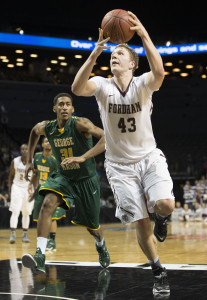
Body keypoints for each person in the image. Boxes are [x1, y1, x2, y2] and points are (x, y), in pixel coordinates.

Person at [71, 11, 175, 295]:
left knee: (165, 205)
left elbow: (161, 72)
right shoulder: (103, 86)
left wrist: (143, 34)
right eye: (112, 54)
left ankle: (163, 220)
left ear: (132, 62)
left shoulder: (142, 83)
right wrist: (95, 53)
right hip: (119, 167)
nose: (113, 57)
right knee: (140, 222)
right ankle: (157, 270)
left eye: (120, 53)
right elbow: (77, 88)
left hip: (149, 158)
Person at [22, 92, 110, 274]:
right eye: (61, 104)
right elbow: (33, 131)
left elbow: (107, 138)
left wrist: (83, 157)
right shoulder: (48, 127)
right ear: (55, 109)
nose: (64, 107)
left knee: (93, 227)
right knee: (47, 205)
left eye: (68, 104)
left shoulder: (80, 124)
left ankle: (100, 244)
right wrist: (30, 160)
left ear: (72, 109)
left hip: (86, 180)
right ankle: (40, 254)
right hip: (64, 177)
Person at [28, 136, 66, 251]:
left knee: (52, 217)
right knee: (40, 218)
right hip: (40, 190)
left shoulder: (55, 159)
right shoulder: (37, 156)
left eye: (50, 141)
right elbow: (35, 173)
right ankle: (42, 241)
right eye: (45, 141)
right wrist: (30, 184)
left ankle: (52, 242)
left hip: (52, 191)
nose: (48, 143)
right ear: (42, 144)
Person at [8, 144, 34, 244]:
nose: (24, 150)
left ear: (29, 150)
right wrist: (10, 190)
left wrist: (34, 190)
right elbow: (11, 176)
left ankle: (25, 235)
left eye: (26, 149)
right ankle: (13, 234)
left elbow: (35, 176)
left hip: (28, 188)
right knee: (15, 211)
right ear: (20, 150)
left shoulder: (33, 162)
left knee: (26, 212)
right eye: (22, 149)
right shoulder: (15, 161)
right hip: (17, 187)